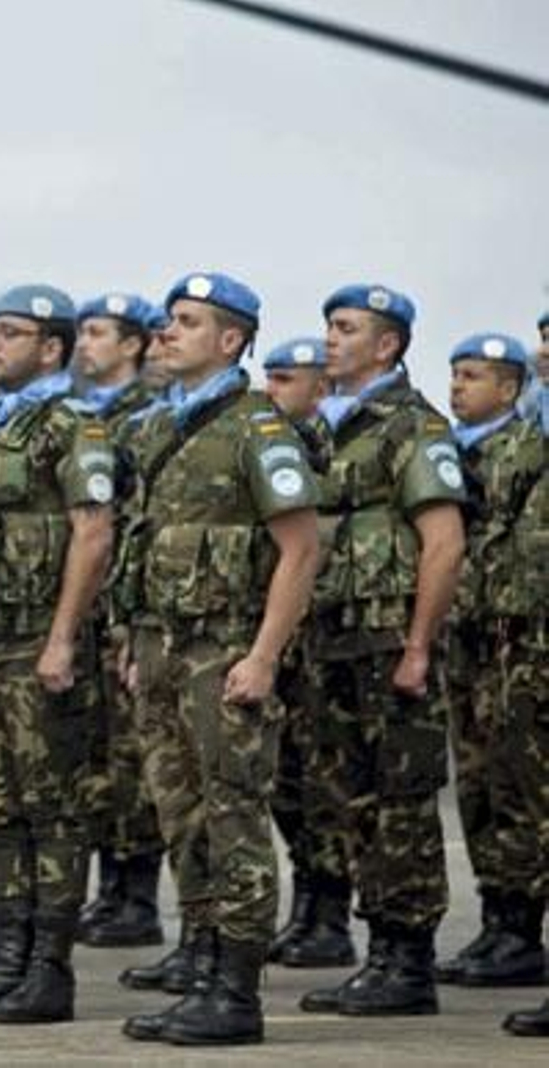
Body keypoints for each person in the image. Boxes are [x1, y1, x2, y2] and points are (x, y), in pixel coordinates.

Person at [120, 272, 321, 1046]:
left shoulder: (258, 431)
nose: (167, 332)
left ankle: (236, 992)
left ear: (231, 340)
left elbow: (299, 550)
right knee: (181, 816)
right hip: (162, 652)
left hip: (225, 652)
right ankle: (200, 969)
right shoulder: (158, 429)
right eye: (168, 320)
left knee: (234, 815)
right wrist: (135, 644)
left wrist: (264, 657)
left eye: (187, 321)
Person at [0, 284, 116, 1026]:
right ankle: (9, 959)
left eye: (10, 333)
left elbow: (92, 533)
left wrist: (63, 636)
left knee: (53, 807)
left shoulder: (72, 425)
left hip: (38, 640)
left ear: (51, 349)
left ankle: (49, 969)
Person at [299, 284, 466, 1019]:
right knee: (351, 799)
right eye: (329, 327)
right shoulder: (328, 428)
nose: (330, 339)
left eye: (346, 328)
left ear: (387, 344)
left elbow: (444, 542)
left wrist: (419, 646)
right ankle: (380, 953)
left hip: (389, 640)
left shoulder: (413, 427)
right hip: (335, 640)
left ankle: (408, 959)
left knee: (401, 801)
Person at [442, 332, 545, 993]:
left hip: (520, 642)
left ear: (509, 389)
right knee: (478, 783)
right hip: (471, 638)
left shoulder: (528, 449)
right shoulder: (451, 452)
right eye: (455, 374)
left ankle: (522, 928)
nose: (458, 387)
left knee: (520, 784)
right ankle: (499, 917)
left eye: (473, 376)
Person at [71, 292, 168, 951]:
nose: (85, 344)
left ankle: (137, 895)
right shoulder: (84, 417)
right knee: (98, 756)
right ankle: (109, 888)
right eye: (81, 332)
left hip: (125, 613)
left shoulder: (148, 417)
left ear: (133, 345)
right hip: (89, 612)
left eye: (98, 333)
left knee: (133, 757)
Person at [256, 337, 355, 969]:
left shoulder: (338, 446)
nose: (270, 390)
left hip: (331, 635)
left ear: (321, 387)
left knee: (328, 782)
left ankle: (331, 915)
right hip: (286, 639)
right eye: (268, 377)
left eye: (284, 379)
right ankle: (309, 905)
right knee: (286, 780)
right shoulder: (270, 445)